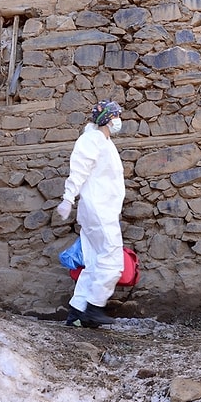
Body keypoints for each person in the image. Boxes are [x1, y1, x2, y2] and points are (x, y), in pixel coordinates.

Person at [56, 99, 125, 327]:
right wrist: (68, 197)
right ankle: (94, 308)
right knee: (113, 260)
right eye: (115, 115)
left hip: (102, 209)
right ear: (107, 118)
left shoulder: (104, 142)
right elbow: (79, 170)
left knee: (94, 262)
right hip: (99, 209)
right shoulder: (91, 140)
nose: (118, 120)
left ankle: (77, 312)